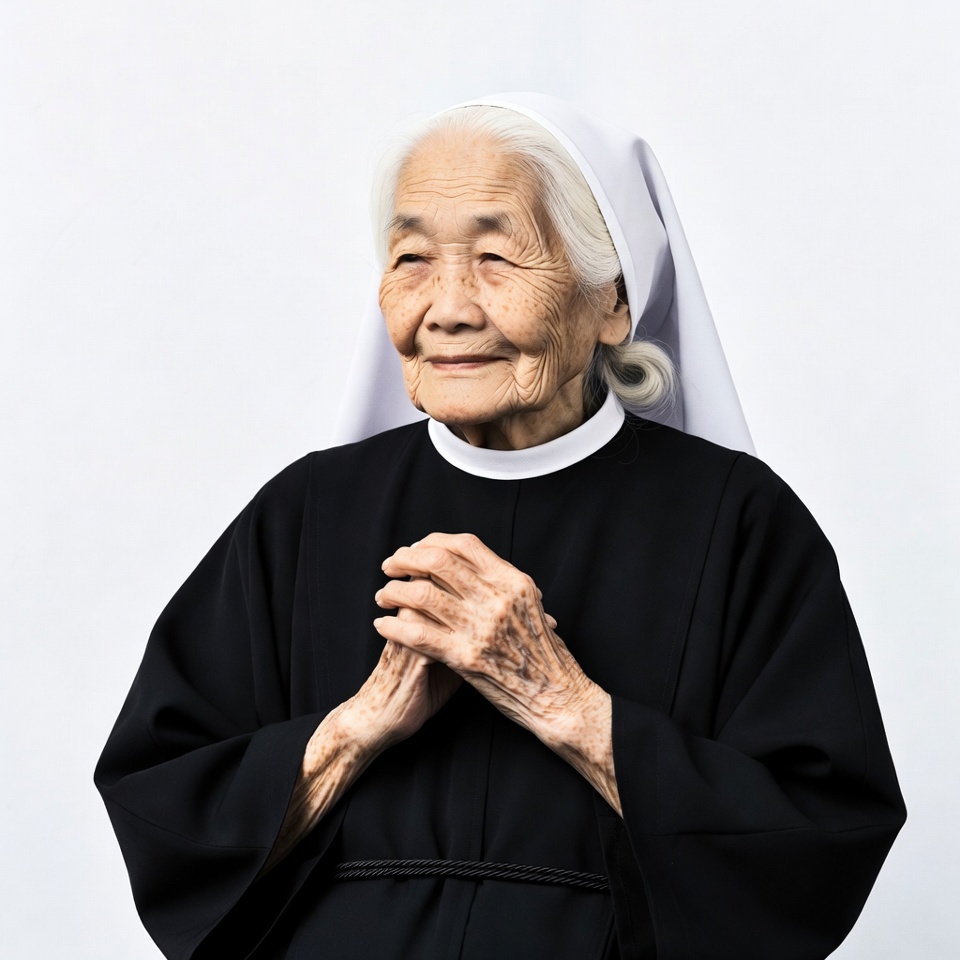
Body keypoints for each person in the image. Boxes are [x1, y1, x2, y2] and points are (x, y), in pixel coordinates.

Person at [95, 93, 905, 960]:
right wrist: (356, 727)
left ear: (613, 304)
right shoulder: (306, 514)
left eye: (493, 258)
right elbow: (160, 800)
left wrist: (567, 705)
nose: (446, 308)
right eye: (412, 258)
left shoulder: (739, 523)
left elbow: (824, 836)